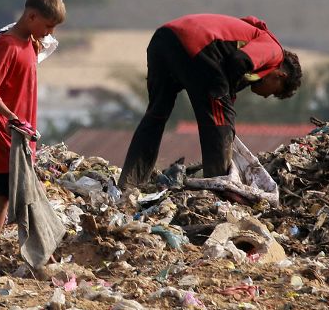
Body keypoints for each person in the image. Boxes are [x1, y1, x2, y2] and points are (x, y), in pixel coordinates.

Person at [118, 13, 301, 190]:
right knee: (220, 122)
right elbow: (238, 61)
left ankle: (130, 184)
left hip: (164, 39)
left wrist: (226, 95)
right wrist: (224, 100)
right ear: (279, 75)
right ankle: (218, 190)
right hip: (196, 45)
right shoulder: (274, 51)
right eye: (273, 93)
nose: (265, 96)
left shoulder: (251, 36)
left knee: (156, 115)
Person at [0, 0, 66, 275]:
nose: (49, 33)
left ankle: (32, 256)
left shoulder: (30, 44)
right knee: (8, 196)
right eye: (48, 26)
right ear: (32, 16)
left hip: (20, 133)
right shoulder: (7, 45)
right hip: (4, 132)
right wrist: (14, 120)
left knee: (14, 195)